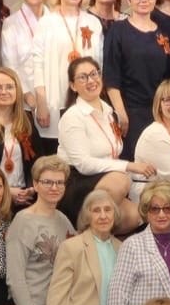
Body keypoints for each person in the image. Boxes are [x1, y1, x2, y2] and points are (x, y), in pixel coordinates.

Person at [57, 56, 149, 229]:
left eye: (94, 74)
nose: (91, 80)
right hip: (78, 180)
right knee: (120, 180)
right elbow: (83, 164)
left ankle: (99, 236)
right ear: (72, 86)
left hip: (104, 178)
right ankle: (85, 233)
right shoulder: (73, 116)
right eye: (83, 77)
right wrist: (128, 166)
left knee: (133, 216)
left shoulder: (109, 112)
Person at [103, 0, 170, 159]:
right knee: (136, 163)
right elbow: (111, 76)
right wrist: (121, 112)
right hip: (131, 112)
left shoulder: (163, 32)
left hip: (161, 111)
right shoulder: (118, 30)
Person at [42, 192, 120, 305]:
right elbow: (57, 296)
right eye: (96, 211)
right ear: (87, 216)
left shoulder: (122, 248)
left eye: (107, 210)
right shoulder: (71, 247)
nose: (103, 216)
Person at [32, 0, 105, 148]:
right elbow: (37, 64)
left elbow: (100, 64)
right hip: (56, 101)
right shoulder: (47, 22)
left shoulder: (93, 22)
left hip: (87, 102)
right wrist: (41, 103)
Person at [5, 155, 72, 305]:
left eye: (59, 182)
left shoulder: (63, 220)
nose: (54, 187)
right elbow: (15, 278)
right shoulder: (23, 220)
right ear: (35, 184)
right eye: (47, 182)